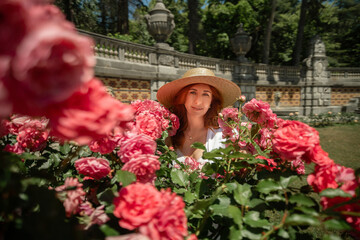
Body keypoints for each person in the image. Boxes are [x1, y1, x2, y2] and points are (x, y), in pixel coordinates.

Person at [156, 68, 241, 166]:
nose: (198, 102)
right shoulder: (167, 136)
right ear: (183, 98)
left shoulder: (225, 136)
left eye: (205, 94)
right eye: (192, 92)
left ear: (212, 102)